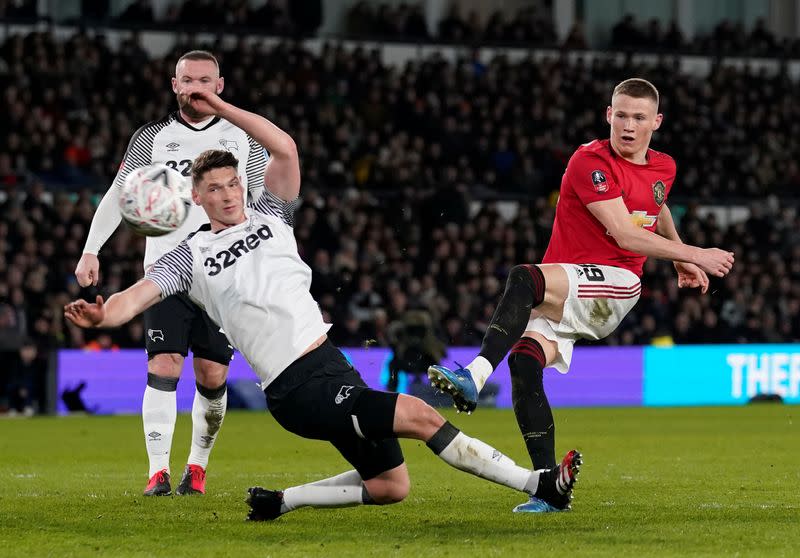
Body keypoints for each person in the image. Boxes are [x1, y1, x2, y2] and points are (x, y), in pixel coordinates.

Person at [64, 90, 582, 517]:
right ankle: (539, 483)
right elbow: (131, 301)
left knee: (390, 485)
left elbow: (285, 150)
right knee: (422, 415)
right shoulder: (189, 256)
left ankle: (281, 501)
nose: (228, 195)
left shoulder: (271, 216)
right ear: (196, 197)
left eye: (232, 184)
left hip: (331, 363)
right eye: (215, 189)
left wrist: (220, 108)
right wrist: (98, 314)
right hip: (296, 386)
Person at [428, 78, 734, 512]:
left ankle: (475, 376)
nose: (628, 125)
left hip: (615, 284)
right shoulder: (589, 161)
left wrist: (683, 256)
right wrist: (692, 254)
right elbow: (630, 227)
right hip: (574, 285)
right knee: (523, 362)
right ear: (609, 114)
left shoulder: (664, 166)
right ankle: (549, 489)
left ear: (657, 122)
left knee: (524, 278)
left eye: (639, 118)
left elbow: (652, 206)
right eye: (621, 115)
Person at [74, 50, 268, 496]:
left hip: (225, 275)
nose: (196, 87)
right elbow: (118, 194)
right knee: (163, 365)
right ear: (174, 85)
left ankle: (196, 467)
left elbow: (259, 202)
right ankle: (157, 471)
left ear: (219, 86)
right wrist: (91, 249)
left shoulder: (243, 138)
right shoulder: (153, 138)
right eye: (188, 80)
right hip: (166, 271)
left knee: (212, 377)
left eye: (205, 80)